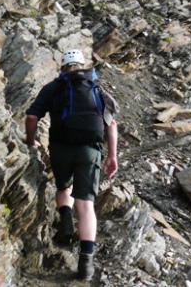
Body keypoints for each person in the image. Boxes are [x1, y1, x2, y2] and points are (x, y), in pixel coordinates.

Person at [25, 49, 119, 281]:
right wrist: (112, 156)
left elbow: (31, 118)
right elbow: (111, 125)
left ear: (62, 67)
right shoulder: (96, 89)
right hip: (90, 150)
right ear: (82, 65)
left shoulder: (52, 88)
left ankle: (66, 220)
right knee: (86, 204)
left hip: (60, 148)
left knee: (63, 187)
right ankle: (85, 265)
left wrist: (30, 141)